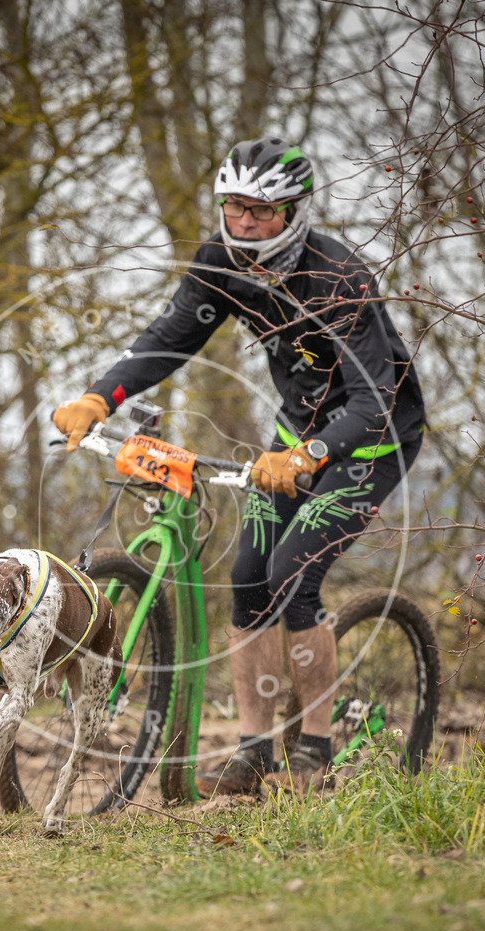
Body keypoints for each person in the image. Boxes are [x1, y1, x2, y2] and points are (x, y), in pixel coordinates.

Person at [52, 136, 426, 796]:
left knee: (293, 577)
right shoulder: (220, 261)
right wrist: (100, 395)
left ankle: (315, 749)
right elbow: (171, 339)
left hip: (374, 441)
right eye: (233, 207)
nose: (243, 222)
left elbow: (374, 398)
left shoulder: (338, 276)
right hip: (294, 433)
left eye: (259, 210)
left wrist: (310, 456)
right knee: (249, 580)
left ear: (293, 212)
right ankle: (254, 751)